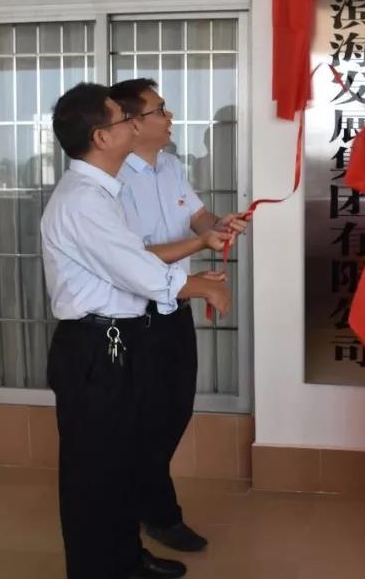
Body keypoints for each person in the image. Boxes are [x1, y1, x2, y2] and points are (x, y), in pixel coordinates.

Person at [41, 82, 230, 579]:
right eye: (122, 119)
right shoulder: (84, 200)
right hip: (94, 347)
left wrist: (193, 279)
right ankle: (102, 567)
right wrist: (197, 286)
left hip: (115, 342)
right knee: (94, 474)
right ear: (102, 137)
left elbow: (133, 263)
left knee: (120, 461)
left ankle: (126, 557)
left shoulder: (105, 191)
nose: (133, 123)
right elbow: (135, 268)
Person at [108, 78, 249, 553]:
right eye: (160, 110)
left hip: (175, 306)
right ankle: (157, 513)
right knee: (146, 418)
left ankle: (142, 500)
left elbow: (198, 218)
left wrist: (219, 226)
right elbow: (131, 260)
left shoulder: (169, 166)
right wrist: (200, 245)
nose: (170, 117)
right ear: (131, 123)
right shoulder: (113, 180)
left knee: (174, 410)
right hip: (133, 316)